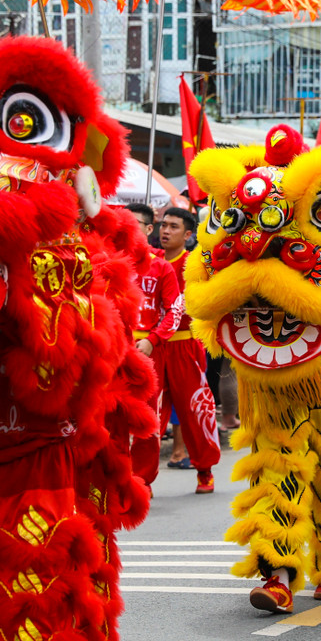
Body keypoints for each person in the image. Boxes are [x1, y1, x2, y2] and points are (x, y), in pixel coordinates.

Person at [156, 205, 220, 492]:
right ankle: (142, 478)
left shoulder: (193, 265)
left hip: (183, 345)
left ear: (188, 235)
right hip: (152, 347)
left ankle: (204, 469)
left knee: (195, 410)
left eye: (173, 227)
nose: (166, 231)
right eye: (163, 225)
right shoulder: (149, 261)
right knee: (150, 413)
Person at [125, 202, 182, 488]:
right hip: (115, 351)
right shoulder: (108, 261)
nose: (126, 228)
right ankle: (115, 478)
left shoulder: (161, 267)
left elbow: (175, 311)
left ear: (149, 229)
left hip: (148, 350)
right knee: (110, 416)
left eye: (134, 224)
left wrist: (152, 340)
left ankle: (142, 480)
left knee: (148, 418)